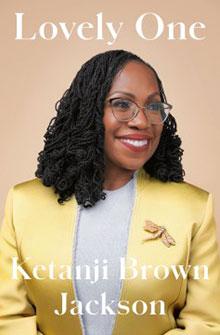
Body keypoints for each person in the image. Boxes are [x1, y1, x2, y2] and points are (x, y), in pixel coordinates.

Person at [0, 49, 220, 335]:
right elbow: (9, 319)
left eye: (154, 107)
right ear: (88, 112)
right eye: (122, 104)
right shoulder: (23, 204)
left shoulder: (194, 208)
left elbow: (205, 324)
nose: (142, 121)